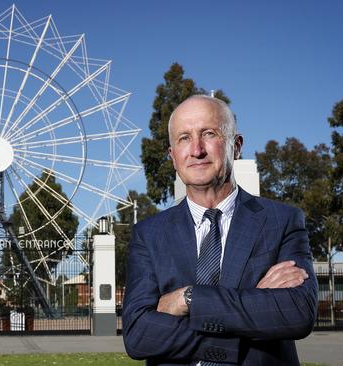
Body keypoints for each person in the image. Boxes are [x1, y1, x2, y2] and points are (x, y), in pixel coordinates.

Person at [122, 95, 317, 365]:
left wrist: (188, 298)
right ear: (172, 156)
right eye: (184, 138)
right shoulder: (149, 234)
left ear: (236, 146)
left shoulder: (281, 221)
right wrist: (254, 305)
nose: (197, 149)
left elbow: (296, 312)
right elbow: (138, 334)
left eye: (209, 134)